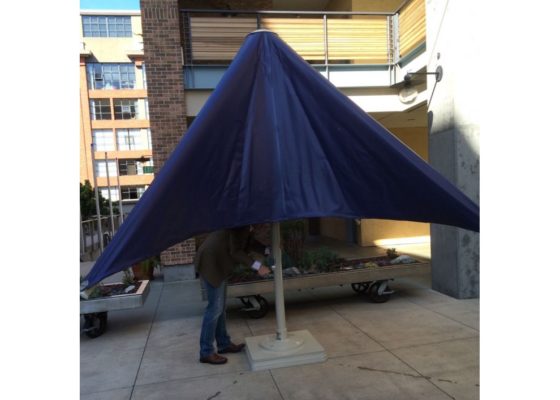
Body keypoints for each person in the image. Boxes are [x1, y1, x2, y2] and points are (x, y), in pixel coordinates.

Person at [195, 225, 271, 365]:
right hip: (211, 263)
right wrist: (258, 266)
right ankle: (206, 352)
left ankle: (224, 343)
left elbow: (248, 242)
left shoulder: (246, 224)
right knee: (214, 308)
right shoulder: (240, 224)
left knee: (220, 308)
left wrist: (267, 250)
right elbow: (236, 252)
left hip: (218, 262)